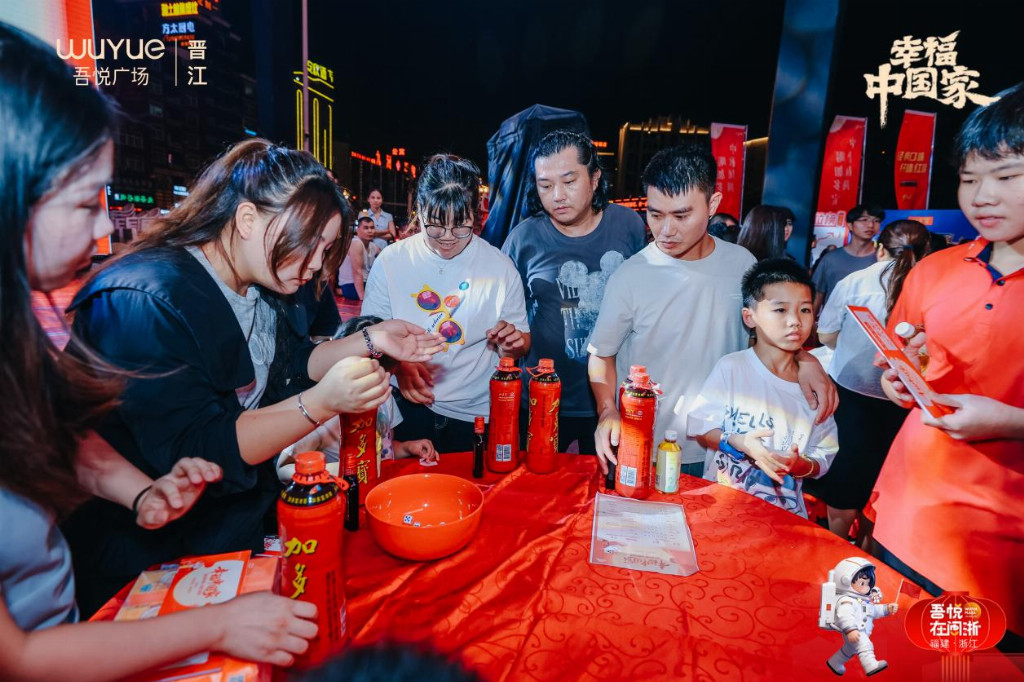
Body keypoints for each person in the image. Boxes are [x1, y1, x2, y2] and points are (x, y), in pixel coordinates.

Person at [0, 23, 318, 679]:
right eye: (84, 202)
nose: (103, 229)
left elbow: (54, 435)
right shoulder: (146, 297)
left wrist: (141, 491)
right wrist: (220, 623)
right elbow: (21, 659)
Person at [63, 138, 444, 614]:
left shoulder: (264, 282)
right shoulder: (147, 300)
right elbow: (204, 446)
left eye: (326, 248)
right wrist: (322, 403)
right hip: (148, 552)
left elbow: (295, 365)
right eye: (308, 243)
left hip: (229, 527)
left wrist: (372, 340)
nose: (315, 264)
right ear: (247, 219)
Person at [872, 83, 1024, 645]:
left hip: (1000, 547)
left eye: (1006, 176)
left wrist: (1010, 422)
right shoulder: (934, 270)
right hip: (905, 515)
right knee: (884, 653)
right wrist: (899, 379)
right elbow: (900, 363)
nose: (983, 196)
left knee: (967, 666)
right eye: (969, 178)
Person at [587, 144, 837, 479]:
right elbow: (601, 353)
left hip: (728, 447)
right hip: (649, 445)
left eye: (681, 216)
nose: (666, 230)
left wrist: (806, 361)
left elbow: (763, 338)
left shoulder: (741, 264)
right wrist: (607, 410)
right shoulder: (631, 275)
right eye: (655, 215)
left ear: (713, 205)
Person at [362, 154, 530, 453]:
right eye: (436, 226)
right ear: (419, 209)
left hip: (474, 410)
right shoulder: (391, 261)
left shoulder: (500, 268)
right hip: (407, 406)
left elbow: (521, 340)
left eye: (461, 226)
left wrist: (511, 343)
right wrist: (398, 366)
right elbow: (369, 337)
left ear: (476, 214)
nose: (448, 238)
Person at [502, 130, 645, 454]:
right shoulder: (523, 239)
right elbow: (509, 319)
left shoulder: (628, 225)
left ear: (594, 178)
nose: (557, 195)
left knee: (608, 481)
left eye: (569, 181)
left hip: (611, 399)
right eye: (545, 185)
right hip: (541, 396)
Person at [806, 220, 929, 543]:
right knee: (888, 475)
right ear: (925, 252)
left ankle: (837, 545)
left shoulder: (855, 281)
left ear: (879, 248)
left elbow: (826, 334)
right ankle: (872, 547)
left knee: (847, 469)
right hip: (907, 400)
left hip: (852, 394)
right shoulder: (932, 289)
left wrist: (849, 345)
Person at [687, 259, 838, 517]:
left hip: (783, 515)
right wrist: (739, 442)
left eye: (805, 310)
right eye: (780, 310)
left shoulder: (816, 387)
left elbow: (823, 456)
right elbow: (701, 427)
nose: (795, 321)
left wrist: (799, 465)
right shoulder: (732, 368)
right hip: (722, 508)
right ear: (750, 317)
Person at [278, 315, 439, 480]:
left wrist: (407, 448)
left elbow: (384, 448)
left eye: (387, 376)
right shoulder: (327, 412)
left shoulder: (385, 397)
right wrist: (341, 469)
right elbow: (283, 469)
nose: (380, 385)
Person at [825, 558, 898, 676]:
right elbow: (845, 615)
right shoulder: (847, 601)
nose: (867, 587)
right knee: (865, 645)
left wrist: (887, 609)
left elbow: (873, 610)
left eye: (869, 583)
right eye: (862, 584)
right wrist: (850, 630)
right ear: (846, 582)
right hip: (856, 631)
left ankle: (834, 662)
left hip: (859, 631)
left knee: (849, 650)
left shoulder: (861, 601)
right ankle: (870, 665)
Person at [812, 204, 885, 313]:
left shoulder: (882, 260)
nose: (870, 225)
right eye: (864, 220)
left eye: (876, 221)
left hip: (870, 321)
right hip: (833, 321)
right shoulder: (831, 259)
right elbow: (818, 294)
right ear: (850, 225)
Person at [337, 214, 381, 301]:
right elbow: (357, 272)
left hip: (366, 282)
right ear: (357, 230)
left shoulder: (373, 246)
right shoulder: (356, 243)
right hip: (351, 285)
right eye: (366, 228)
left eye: (372, 228)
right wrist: (363, 299)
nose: (370, 231)